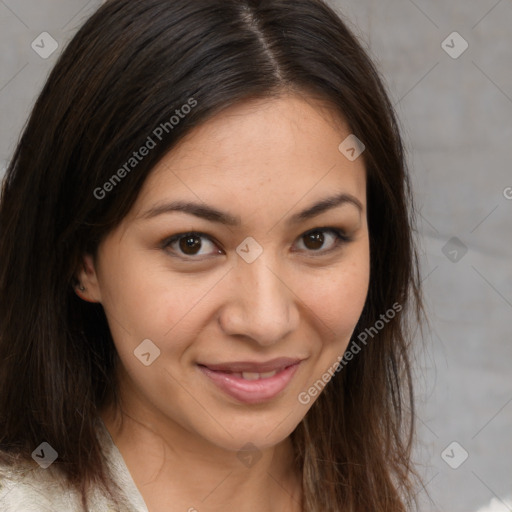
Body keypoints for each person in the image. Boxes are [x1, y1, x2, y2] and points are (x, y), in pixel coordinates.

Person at [0, 0, 424, 510]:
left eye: (317, 238)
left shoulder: (363, 492)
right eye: (192, 244)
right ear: (82, 260)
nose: (266, 321)